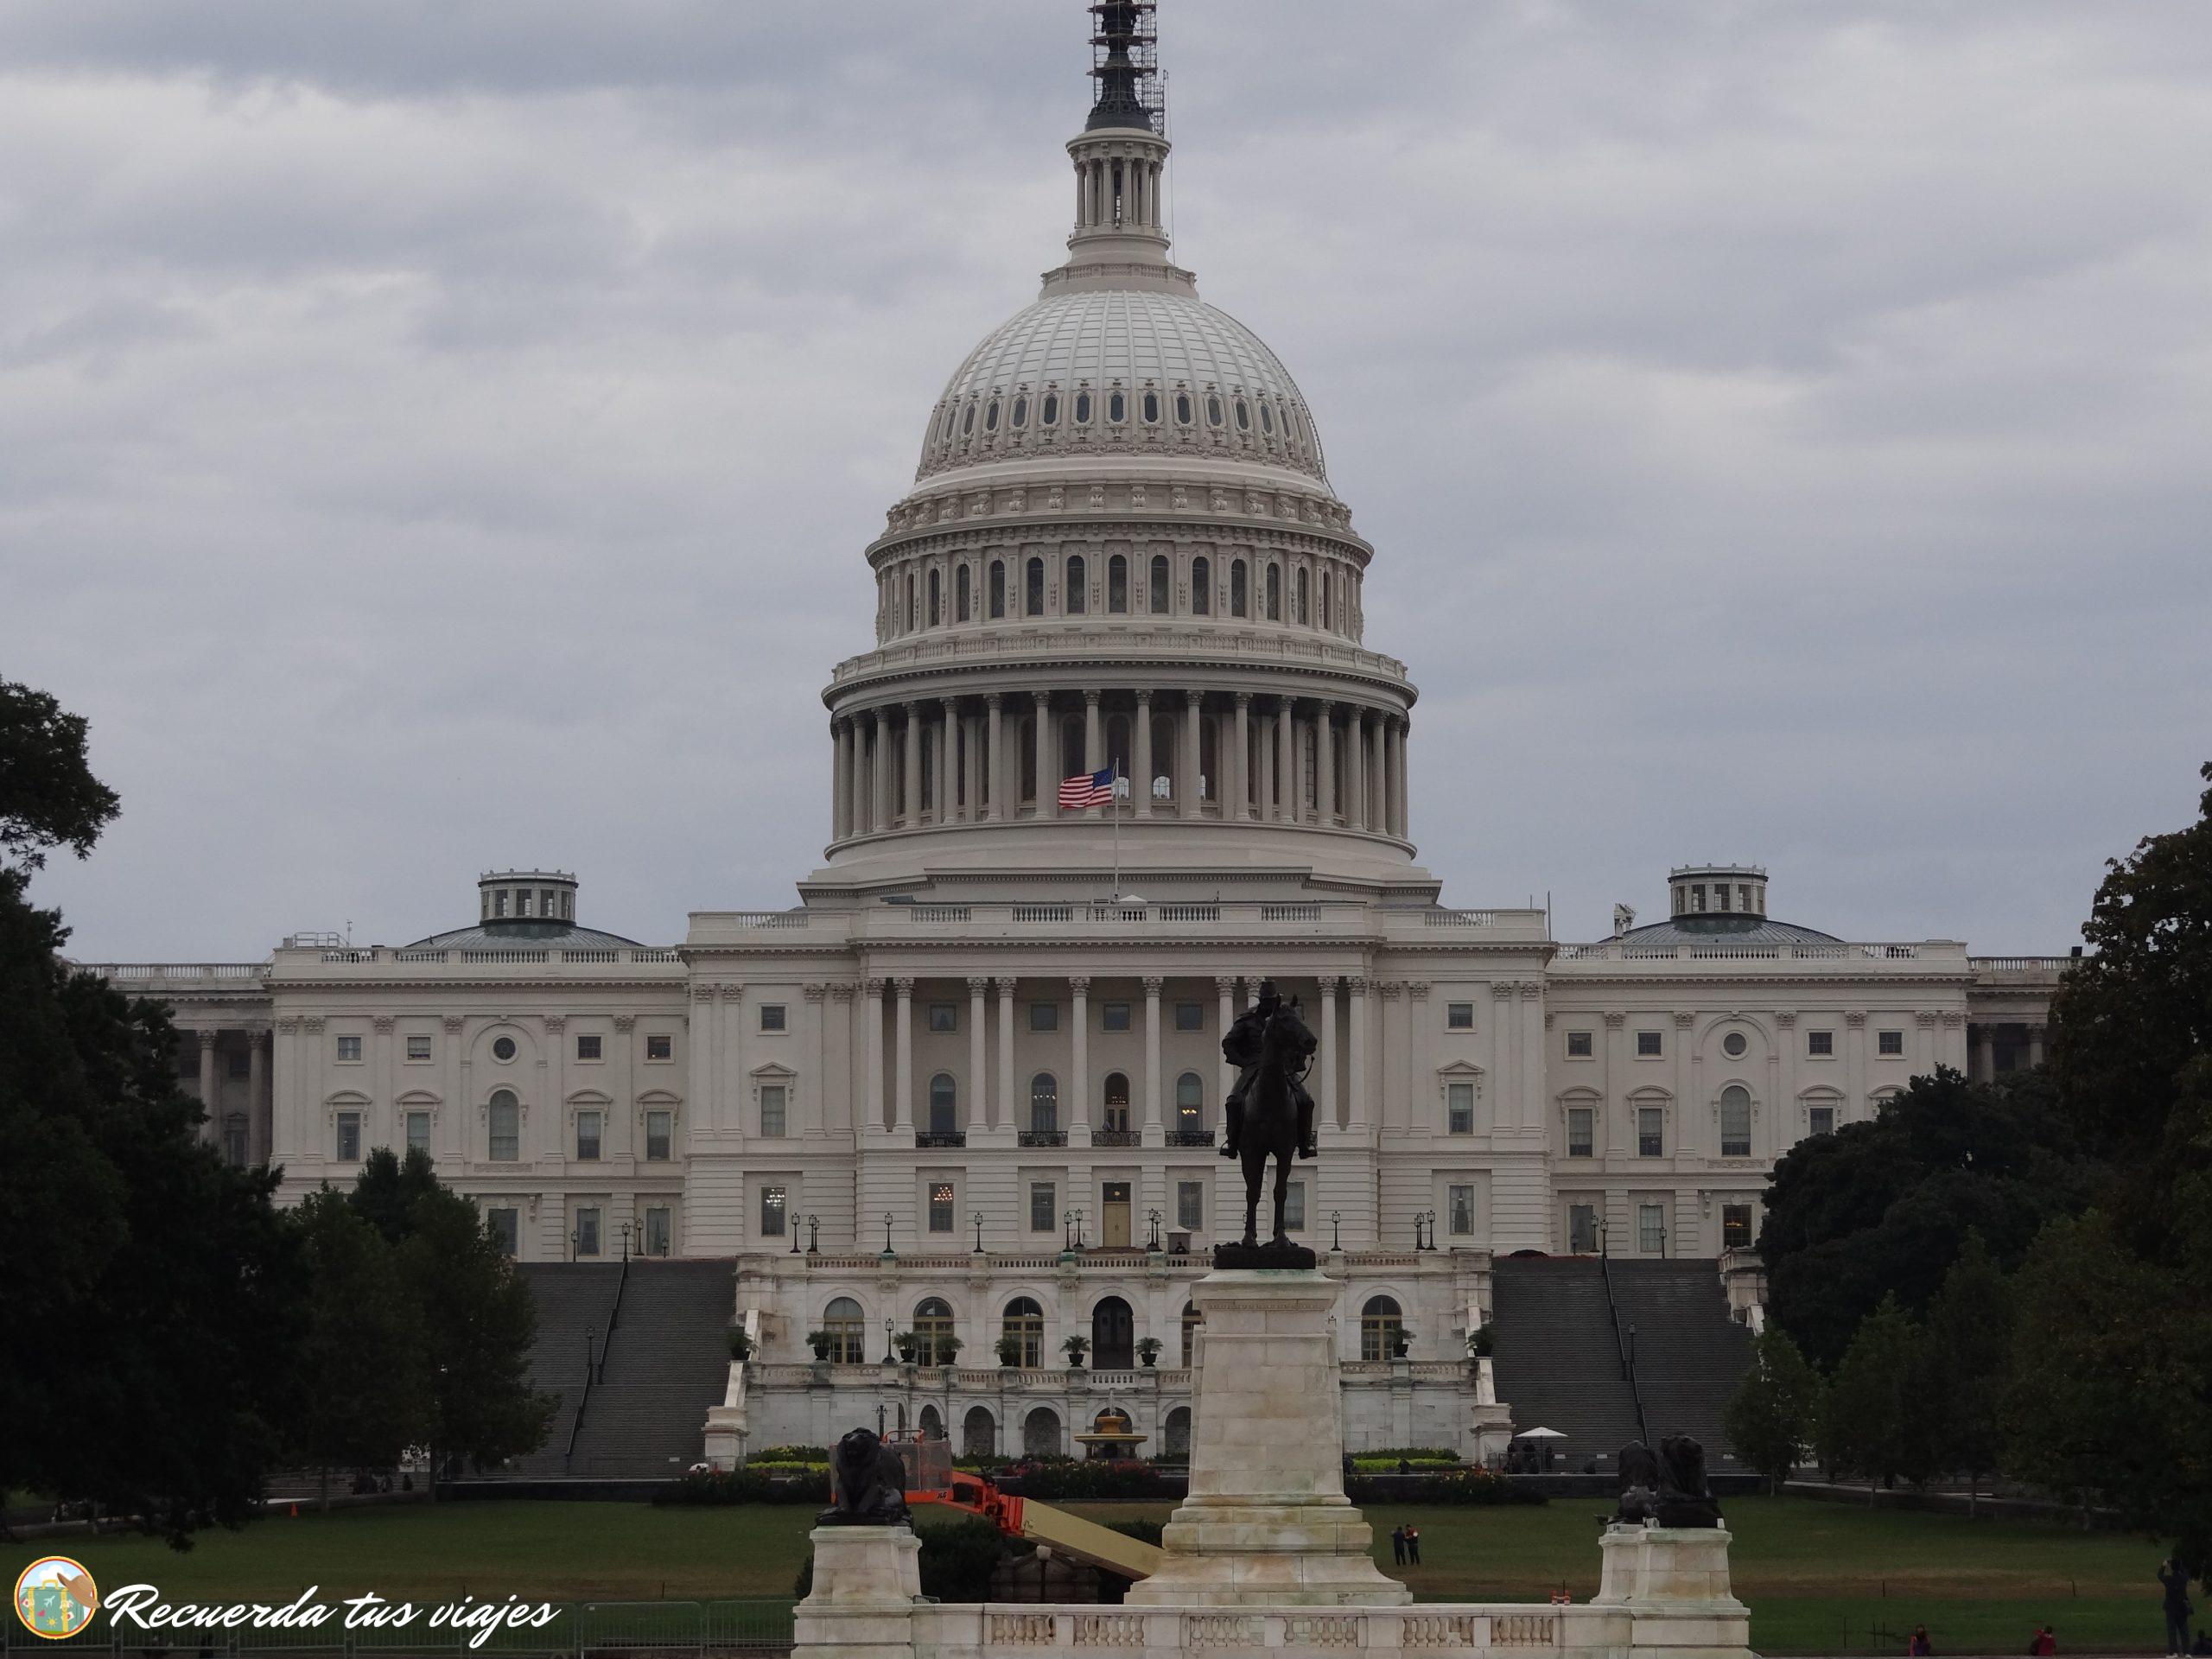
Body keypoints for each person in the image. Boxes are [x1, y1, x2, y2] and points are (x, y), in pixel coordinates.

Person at [2162, 1561, 2195, 1657]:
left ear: (2172, 1568)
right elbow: (2187, 1573)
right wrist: (2182, 1565)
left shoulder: (2169, 1579)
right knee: (2184, 1631)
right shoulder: (2183, 1579)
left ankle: (2174, 1652)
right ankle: (2187, 1652)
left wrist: (2163, 1566)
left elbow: (2159, 1575)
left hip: (2171, 1608)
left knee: (2172, 1631)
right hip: (2182, 1608)